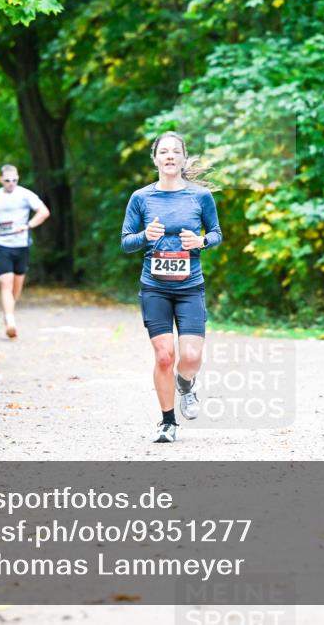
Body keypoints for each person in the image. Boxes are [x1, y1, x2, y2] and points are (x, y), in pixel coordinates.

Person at [121, 131, 222, 443]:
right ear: (155, 159)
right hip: (154, 287)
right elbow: (126, 242)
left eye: (175, 152)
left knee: (190, 356)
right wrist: (145, 237)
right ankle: (168, 422)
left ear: (182, 159)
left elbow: (216, 232)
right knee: (164, 355)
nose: (169, 156)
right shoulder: (141, 198)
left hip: (190, 286)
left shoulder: (200, 197)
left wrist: (202, 241)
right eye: (163, 152)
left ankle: (186, 383)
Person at [0, 164, 50, 338]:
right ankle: (10, 320)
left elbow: (44, 212)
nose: (11, 183)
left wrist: (27, 226)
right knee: (5, 282)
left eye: (14, 180)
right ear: (1, 179)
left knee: (16, 285)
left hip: (21, 245)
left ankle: (8, 313)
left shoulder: (25, 195)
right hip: (0, 243)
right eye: (7, 180)